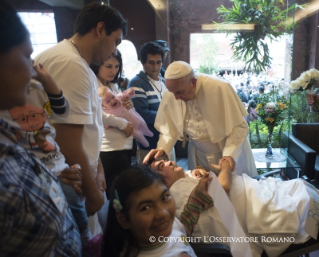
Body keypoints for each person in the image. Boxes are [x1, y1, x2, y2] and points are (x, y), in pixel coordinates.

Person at [35, 2, 127, 230]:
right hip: (70, 178)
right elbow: (68, 141)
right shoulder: (71, 63)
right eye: (115, 40)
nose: (115, 50)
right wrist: (94, 195)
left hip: (77, 172)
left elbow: (87, 127)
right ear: (100, 29)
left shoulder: (69, 58)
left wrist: (98, 169)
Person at [0, 1, 82, 255]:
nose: (32, 67)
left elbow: (63, 110)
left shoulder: (35, 91)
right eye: (26, 55)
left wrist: (48, 179)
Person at [150, 159, 317, 257]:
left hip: (256, 194)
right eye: (161, 166)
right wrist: (225, 167)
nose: (169, 161)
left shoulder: (184, 179)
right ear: (162, 182)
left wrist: (197, 173)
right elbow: (222, 188)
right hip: (258, 207)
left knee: (299, 188)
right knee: (302, 195)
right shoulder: (177, 190)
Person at [144, 61, 257, 177]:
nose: (176, 98)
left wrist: (229, 155)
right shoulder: (173, 93)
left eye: (179, 93)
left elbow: (239, 127)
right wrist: (162, 148)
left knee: (229, 191)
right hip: (198, 156)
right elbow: (169, 129)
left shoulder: (220, 87)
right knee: (201, 190)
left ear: (193, 83)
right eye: (173, 93)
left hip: (226, 153)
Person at [101, 165, 213, 257]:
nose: (162, 213)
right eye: (146, 208)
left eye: (164, 198)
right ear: (124, 220)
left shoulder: (169, 226)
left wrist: (196, 201)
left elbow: (181, 231)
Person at [90, 50, 134, 197]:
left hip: (123, 144)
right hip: (108, 148)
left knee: (124, 192)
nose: (113, 71)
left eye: (116, 66)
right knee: (118, 195)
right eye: (109, 66)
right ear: (97, 65)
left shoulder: (113, 85)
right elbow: (96, 113)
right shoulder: (91, 85)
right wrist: (122, 124)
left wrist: (128, 104)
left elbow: (119, 107)